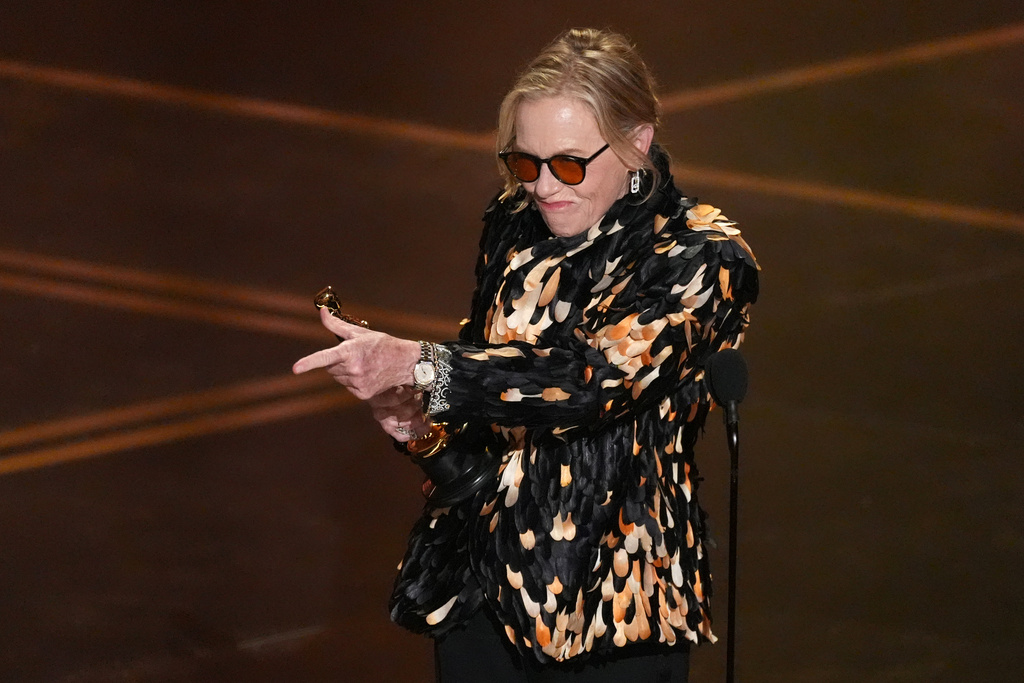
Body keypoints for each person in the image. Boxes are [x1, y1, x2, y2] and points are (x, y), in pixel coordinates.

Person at [293, 27, 759, 682]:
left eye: (569, 163)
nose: (543, 186)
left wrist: (427, 366)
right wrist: (421, 422)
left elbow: (594, 381)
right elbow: (494, 378)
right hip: (485, 592)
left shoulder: (699, 256)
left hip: (610, 613)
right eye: (524, 161)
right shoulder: (517, 225)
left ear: (637, 142)